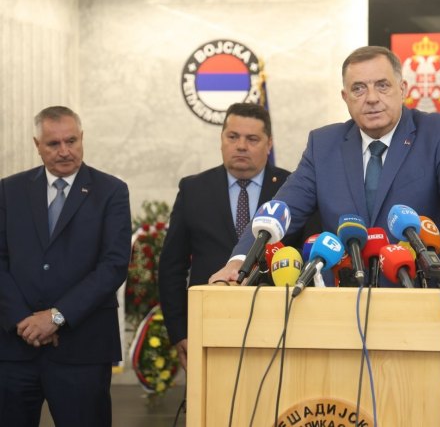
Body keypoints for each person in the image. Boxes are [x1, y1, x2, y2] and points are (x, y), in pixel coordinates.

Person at [209, 46, 440, 319]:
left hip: (424, 302)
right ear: (345, 96)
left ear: (402, 89)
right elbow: (281, 210)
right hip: (343, 309)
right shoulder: (323, 144)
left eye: (382, 85)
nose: (371, 98)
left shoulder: (439, 133)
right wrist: (239, 262)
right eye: (358, 88)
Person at [0, 106, 131, 427]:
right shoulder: (8, 190)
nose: (64, 151)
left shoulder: (111, 191)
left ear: (82, 138)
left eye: (71, 141)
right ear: (37, 145)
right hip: (15, 350)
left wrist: (56, 317)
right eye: (53, 144)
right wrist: (23, 320)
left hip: (83, 350)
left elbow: (113, 266)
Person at [158, 102, 295, 371]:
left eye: (252, 139)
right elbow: (171, 267)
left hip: (277, 329)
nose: (241, 146)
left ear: (269, 144)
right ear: (221, 139)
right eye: (233, 137)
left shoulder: (291, 190)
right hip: (209, 326)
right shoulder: (193, 189)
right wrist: (179, 332)